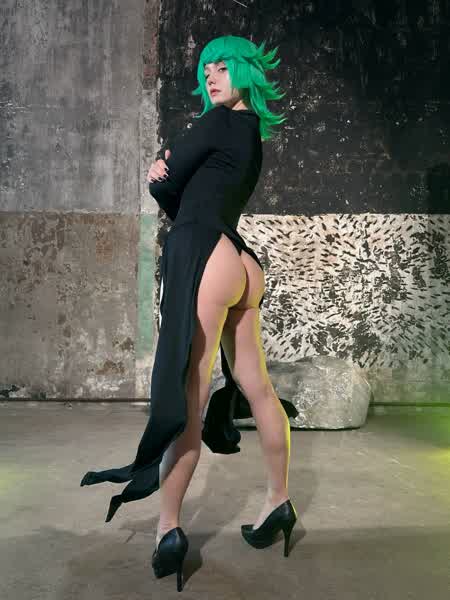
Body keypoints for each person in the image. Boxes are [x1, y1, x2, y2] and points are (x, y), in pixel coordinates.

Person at [80, 35, 298, 591]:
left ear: (246, 69)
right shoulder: (251, 131)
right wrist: (170, 173)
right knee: (260, 389)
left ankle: (169, 529)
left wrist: (160, 169)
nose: (211, 77)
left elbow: (170, 184)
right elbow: (201, 188)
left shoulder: (216, 123)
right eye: (206, 70)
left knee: (189, 397)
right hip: (242, 263)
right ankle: (278, 502)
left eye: (222, 66)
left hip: (205, 252)